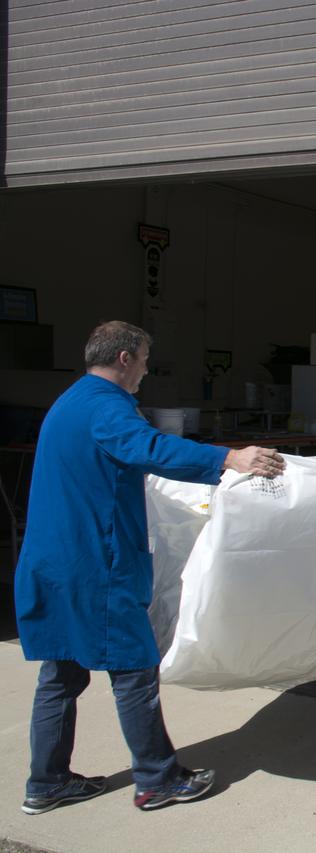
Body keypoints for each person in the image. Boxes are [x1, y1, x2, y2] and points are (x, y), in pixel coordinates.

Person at [14, 321, 285, 815]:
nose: (144, 371)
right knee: (134, 669)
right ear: (123, 359)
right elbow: (150, 449)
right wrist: (230, 458)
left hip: (53, 562)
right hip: (95, 566)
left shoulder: (72, 401)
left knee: (61, 676)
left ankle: (46, 782)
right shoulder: (104, 407)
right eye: (142, 360)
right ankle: (158, 780)